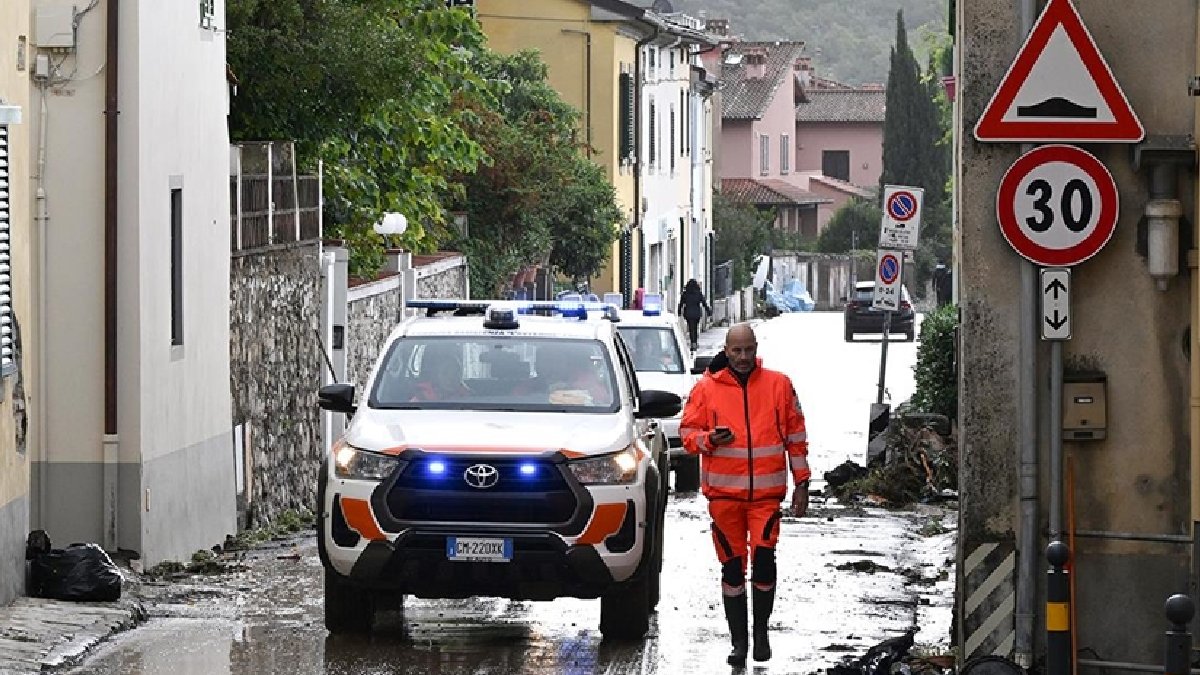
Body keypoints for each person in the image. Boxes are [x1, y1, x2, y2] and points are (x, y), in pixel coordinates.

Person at [679, 323, 810, 666]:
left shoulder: (778, 385)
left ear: (756, 348)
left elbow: (796, 436)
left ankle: (761, 632)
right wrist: (709, 439)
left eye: (748, 349)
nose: (742, 357)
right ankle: (739, 642)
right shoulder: (705, 389)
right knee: (732, 568)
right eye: (736, 351)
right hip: (724, 498)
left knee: (764, 560)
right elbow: (688, 435)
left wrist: (803, 482)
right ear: (726, 350)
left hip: (766, 497)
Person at [677, 279, 712, 351]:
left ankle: (692, 342)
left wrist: (679, 312)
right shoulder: (698, 293)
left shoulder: (685, 294)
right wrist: (708, 311)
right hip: (696, 314)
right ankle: (695, 343)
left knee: (691, 328)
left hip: (688, 313)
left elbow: (681, 304)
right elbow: (704, 303)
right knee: (695, 328)